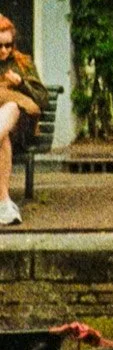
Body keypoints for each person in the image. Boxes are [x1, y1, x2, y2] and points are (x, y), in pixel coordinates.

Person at [0, 12, 47, 227]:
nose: (4, 50)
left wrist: (21, 84)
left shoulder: (23, 63)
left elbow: (42, 99)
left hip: (22, 128)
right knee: (2, 139)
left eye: (8, 45)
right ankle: (3, 203)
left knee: (10, 107)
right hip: (5, 133)